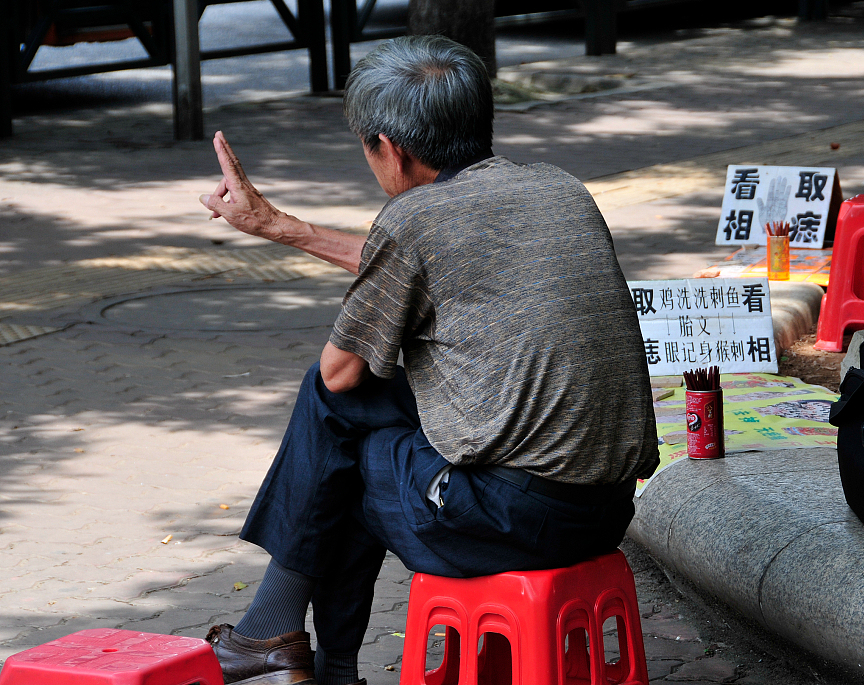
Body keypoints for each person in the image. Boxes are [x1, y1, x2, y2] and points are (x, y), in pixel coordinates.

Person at [197, 36, 659, 685]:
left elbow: (340, 373)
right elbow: (424, 267)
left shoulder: (413, 218)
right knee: (360, 421)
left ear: (391, 147)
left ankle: (304, 655)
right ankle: (273, 639)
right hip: (608, 509)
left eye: (366, 147)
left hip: (514, 520)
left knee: (346, 438)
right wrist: (279, 225)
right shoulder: (561, 189)